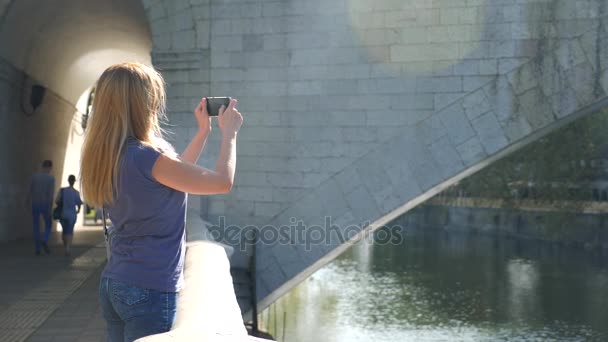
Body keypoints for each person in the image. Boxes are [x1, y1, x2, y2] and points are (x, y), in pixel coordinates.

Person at [80, 62, 242, 342]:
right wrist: (230, 134)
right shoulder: (145, 156)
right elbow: (221, 182)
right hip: (149, 288)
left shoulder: (112, 154)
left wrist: (203, 132)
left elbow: (175, 175)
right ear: (144, 103)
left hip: (115, 284)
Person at [28, 160, 55, 255]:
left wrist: (27, 202)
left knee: (36, 226)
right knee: (48, 224)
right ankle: (45, 239)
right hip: (45, 204)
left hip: (35, 203)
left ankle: (37, 249)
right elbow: (51, 194)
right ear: (50, 167)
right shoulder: (51, 179)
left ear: (42, 166)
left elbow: (29, 191)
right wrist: (50, 207)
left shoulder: (34, 177)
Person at [55, 175, 83, 256]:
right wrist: (78, 210)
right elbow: (79, 203)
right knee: (70, 231)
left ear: (68, 180)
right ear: (74, 181)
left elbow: (56, 201)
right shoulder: (76, 192)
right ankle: (67, 248)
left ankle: (65, 246)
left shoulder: (62, 191)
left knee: (64, 231)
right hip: (72, 214)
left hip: (63, 214)